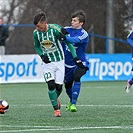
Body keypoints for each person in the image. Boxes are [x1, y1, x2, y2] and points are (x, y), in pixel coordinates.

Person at [33, 11, 84, 117]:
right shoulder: (36, 33)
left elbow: (67, 42)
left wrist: (75, 57)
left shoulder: (54, 30)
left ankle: (55, 99)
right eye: (36, 26)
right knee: (51, 85)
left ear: (45, 23)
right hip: (47, 64)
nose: (37, 28)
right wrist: (42, 55)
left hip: (60, 61)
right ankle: (56, 109)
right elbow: (37, 46)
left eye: (39, 26)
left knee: (59, 87)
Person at [57, 10, 89, 112]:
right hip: (66, 63)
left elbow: (75, 40)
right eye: (72, 20)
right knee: (67, 85)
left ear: (81, 23)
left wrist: (65, 38)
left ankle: (74, 104)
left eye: (75, 20)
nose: (72, 22)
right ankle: (71, 100)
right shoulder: (66, 29)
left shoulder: (84, 34)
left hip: (79, 62)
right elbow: (56, 31)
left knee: (77, 76)